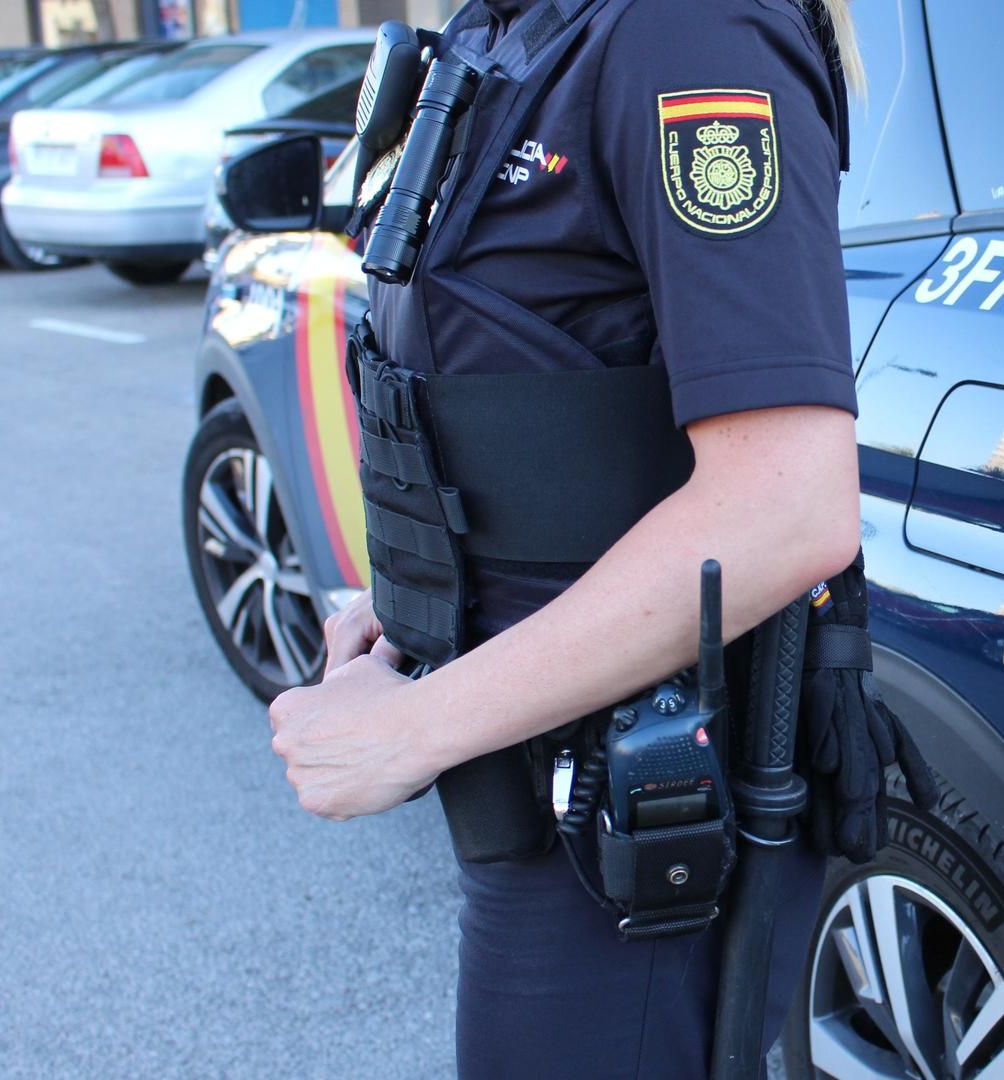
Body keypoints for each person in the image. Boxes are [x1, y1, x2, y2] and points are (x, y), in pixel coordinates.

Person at [264, 0, 878, 1075]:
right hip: (536, 774)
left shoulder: (688, 31)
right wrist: (422, 594)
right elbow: (545, 395)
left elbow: (784, 505)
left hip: (645, 800)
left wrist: (410, 731)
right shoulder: (513, 24)